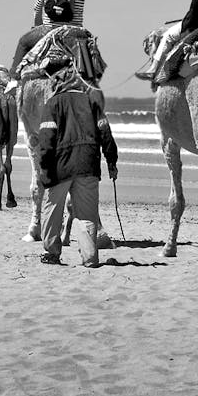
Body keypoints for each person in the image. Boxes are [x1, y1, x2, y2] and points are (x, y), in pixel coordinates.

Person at [27, 68, 118, 267]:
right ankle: (90, 258)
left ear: (58, 85)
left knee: (52, 209)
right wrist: (111, 161)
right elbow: (106, 133)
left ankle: (52, 253)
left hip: (59, 167)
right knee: (87, 215)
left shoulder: (52, 104)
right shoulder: (92, 103)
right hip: (88, 165)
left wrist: (44, 167)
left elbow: (47, 139)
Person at [10, 0, 88, 77]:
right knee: (91, 66)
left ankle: (13, 81)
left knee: (23, 42)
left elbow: (37, 8)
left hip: (49, 30)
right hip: (76, 31)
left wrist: (38, 26)